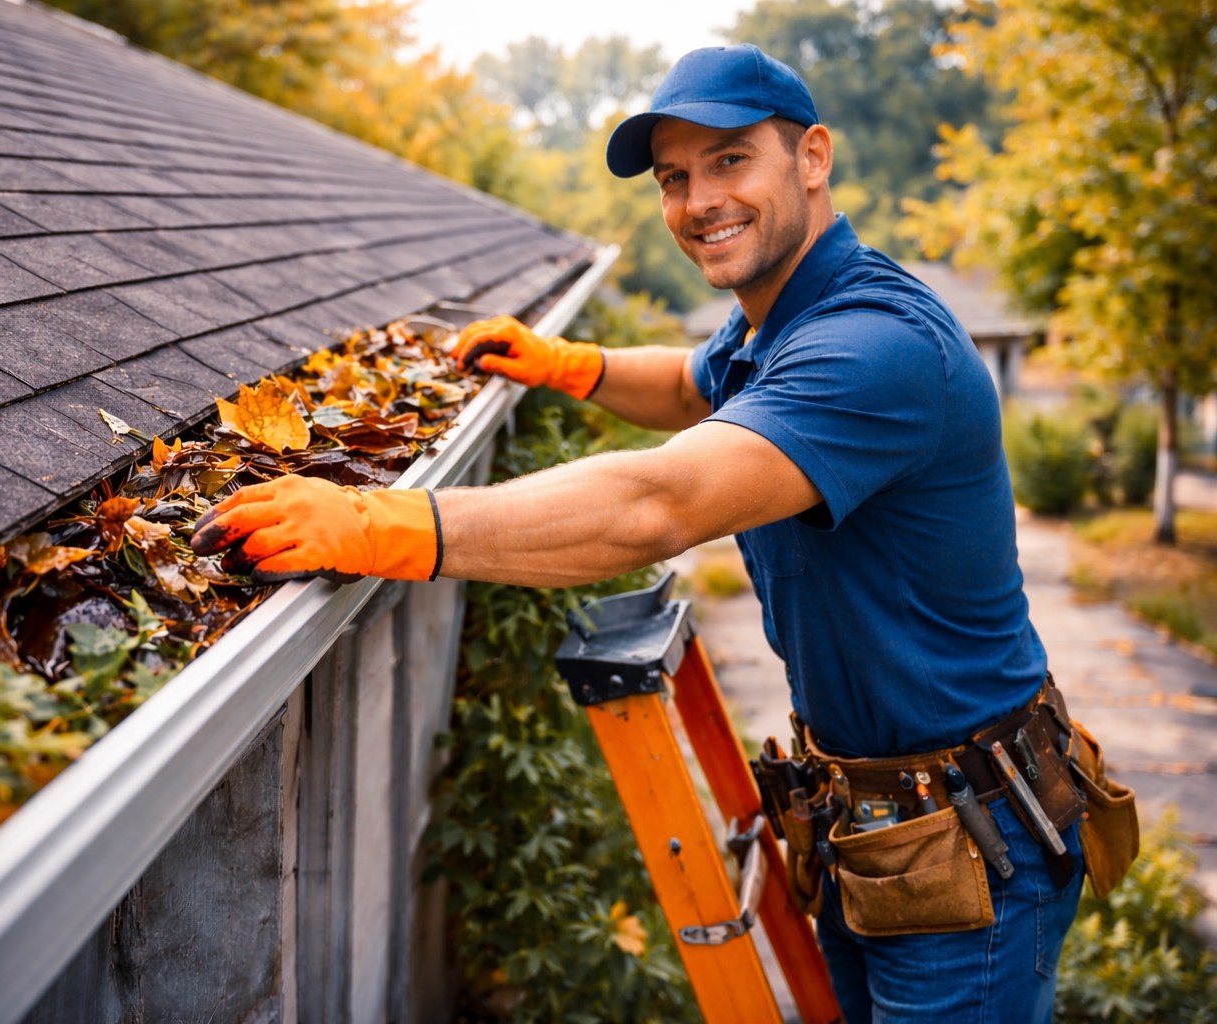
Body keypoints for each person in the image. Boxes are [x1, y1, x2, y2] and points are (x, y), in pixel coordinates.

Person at [192, 44, 1100, 1023]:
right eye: (676, 177)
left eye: (729, 161)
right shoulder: (776, 323)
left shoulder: (873, 347)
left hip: (972, 857)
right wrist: (573, 365)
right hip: (868, 834)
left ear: (812, 158)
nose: (700, 199)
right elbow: (687, 383)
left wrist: (384, 521)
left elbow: (657, 504)